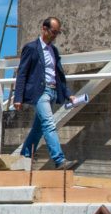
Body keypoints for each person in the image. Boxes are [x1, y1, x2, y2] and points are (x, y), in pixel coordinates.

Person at [13, 17, 79, 170]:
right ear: (44, 28)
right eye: (53, 32)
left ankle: (24, 156)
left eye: (57, 33)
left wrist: (69, 94)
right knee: (49, 124)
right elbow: (22, 73)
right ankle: (59, 160)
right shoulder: (31, 48)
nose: (55, 35)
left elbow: (59, 75)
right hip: (40, 92)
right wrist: (18, 97)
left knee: (38, 129)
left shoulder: (53, 51)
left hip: (52, 92)